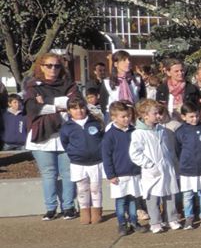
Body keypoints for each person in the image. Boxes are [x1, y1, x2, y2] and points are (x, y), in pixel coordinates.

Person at [25, 53, 79, 220]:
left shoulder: (69, 84)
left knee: (68, 173)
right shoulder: (33, 86)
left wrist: (46, 102)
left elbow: (75, 104)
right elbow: (33, 109)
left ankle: (68, 207)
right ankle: (50, 208)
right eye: (49, 65)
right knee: (49, 174)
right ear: (41, 67)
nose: (53, 69)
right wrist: (59, 105)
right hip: (42, 135)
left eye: (56, 66)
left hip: (66, 134)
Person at [130, 98, 180, 233]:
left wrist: (171, 162)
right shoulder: (138, 133)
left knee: (170, 194)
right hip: (152, 170)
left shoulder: (161, 130)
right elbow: (135, 153)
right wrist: (149, 165)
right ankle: (155, 222)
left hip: (166, 167)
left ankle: (171, 218)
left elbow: (167, 148)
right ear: (145, 115)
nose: (158, 116)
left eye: (159, 113)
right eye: (155, 113)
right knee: (152, 197)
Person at [59, 98, 105, 225]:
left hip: (96, 162)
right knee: (82, 189)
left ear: (86, 108)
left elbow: (102, 139)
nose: (79, 111)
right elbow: (65, 143)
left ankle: (97, 212)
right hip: (78, 163)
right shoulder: (66, 127)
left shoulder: (95, 123)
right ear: (69, 111)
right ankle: (84, 213)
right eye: (74, 108)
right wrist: (74, 153)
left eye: (81, 107)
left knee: (95, 188)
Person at [101, 102, 143, 235]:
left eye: (128, 116)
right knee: (121, 201)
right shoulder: (110, 135)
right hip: (119, 174)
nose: (126, 119)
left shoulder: (134, 131)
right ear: (114, 118)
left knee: (133, 199)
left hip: (133, 172)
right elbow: (106, 156)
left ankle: (134, 221)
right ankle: (122, 224)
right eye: (123, 117)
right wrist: (111, 174)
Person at [174, 101, 201, 230]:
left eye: (196, 116)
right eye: (191, 116)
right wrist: (184, 161)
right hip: (187, 169)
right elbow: (178, 150)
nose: (194, 119)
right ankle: (189, 217)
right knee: (187, 195)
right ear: (183, 117)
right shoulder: (180, 131)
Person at [155, 58, 200, 123]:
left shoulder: (192, 89)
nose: (180, 73)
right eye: (176, 71)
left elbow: (197, 108)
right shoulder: (162, 89)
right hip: (167, 123)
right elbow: (158, 108)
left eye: (182, 70)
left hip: (187, 123)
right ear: (168, 73)